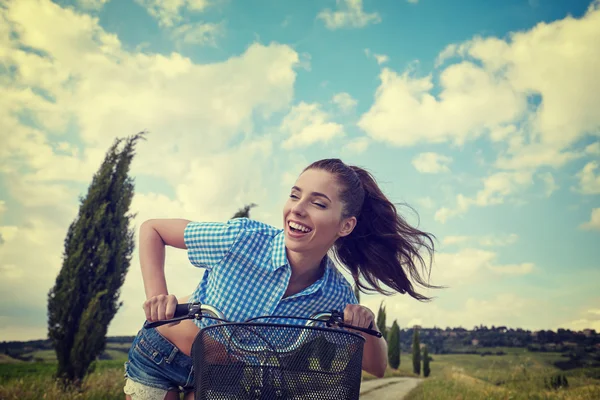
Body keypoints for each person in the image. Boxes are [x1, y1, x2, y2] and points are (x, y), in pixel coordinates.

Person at [123, 158, 438, 400]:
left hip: (225, 377)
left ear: (345, 225)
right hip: (161, 355)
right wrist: (157, 297)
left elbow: (376, 366)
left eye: (318, 203)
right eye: (295, 195)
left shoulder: (334, 293)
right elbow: (153, 229)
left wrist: (367, 326)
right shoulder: (243, 238)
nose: (297, 210)